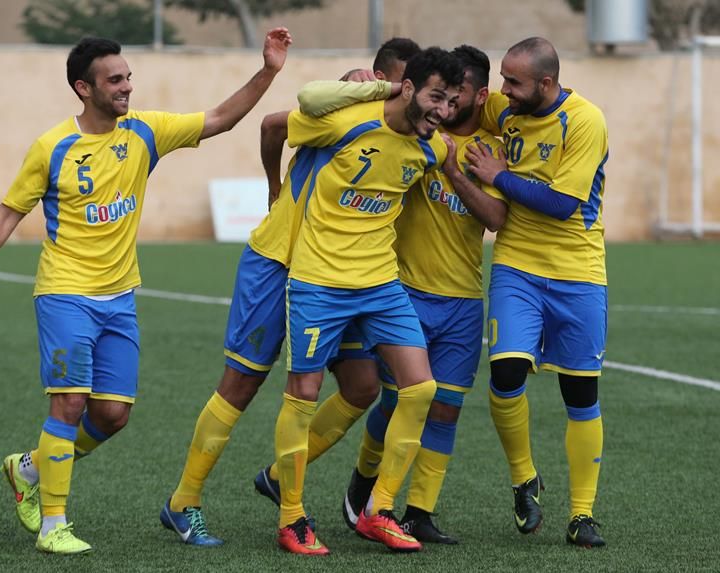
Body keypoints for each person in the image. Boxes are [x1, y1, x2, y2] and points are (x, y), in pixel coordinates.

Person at [0, 29, 292, 555]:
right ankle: (53, 525)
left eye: (128, 76)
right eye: (115, 80)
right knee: (69, 403)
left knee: (111, 416)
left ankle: (29, 469)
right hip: (64, 292)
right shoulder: (53, 147)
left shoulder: (144, 132)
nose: (127, 86)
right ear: (84, 88)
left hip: (120, 298)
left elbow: (220, 119)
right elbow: (11, 209)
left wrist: (268, 71)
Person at [160, 37, 420, 548]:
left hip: (340, 276)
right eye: (403, 83)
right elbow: (271, 125)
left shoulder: (409, 132)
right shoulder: (344, 108)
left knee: (362, 386)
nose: (409, 95)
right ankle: (183, 501)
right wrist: (273, 184)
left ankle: (280, 477)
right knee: (242, 383)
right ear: (382, 79)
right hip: (278, 261)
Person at [254, 45, 509, 546]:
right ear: (407, 88)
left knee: (420, 388)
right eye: (435, 97)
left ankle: (380, 509)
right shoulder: (346, 122)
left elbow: (479, 205)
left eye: (452, 101)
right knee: (303, 393)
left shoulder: (434, 149)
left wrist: (480, 172)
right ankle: (291, 518)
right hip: (319, 280)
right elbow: (283, 117)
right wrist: (275, 187)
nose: (443, 111)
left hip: (380, 285)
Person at [464, 37, 609, 548]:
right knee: (505, 373)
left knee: (580, 393)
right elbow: (458, 103)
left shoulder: (585, 121)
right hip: (517, 266)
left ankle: (582, 514)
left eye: (513, 82)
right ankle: (524, 478)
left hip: (578, 272)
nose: (502, 91)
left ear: (545, 83)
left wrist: (498, 176)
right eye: (502, 79)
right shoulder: (508, 108)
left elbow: (563, 204)